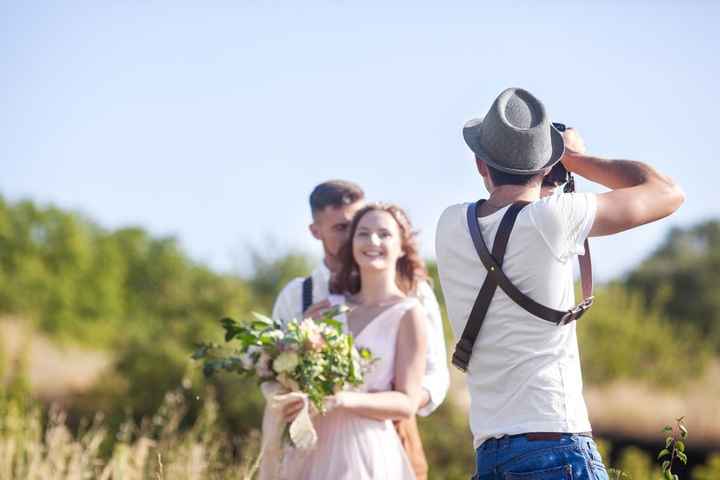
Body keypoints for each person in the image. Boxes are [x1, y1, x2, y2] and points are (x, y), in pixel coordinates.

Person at [435, 87, 684, 480]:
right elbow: (667, 192)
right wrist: (574, 158)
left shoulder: (450, 224)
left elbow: (513, 222)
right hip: (555, 443)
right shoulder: (554, 219)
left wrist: (549, 173)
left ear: (480, 165)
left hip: (490, 451)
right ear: (546, 165)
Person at [272, 180, 449, 479]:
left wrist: (375, 403)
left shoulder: (413, 297)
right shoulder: (305, 296)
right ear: (316, 231)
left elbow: (434, 376)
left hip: (386, 435)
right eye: (345, 228)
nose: (365, 239)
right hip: (313, 440)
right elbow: (274, 369)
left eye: (365, 226)